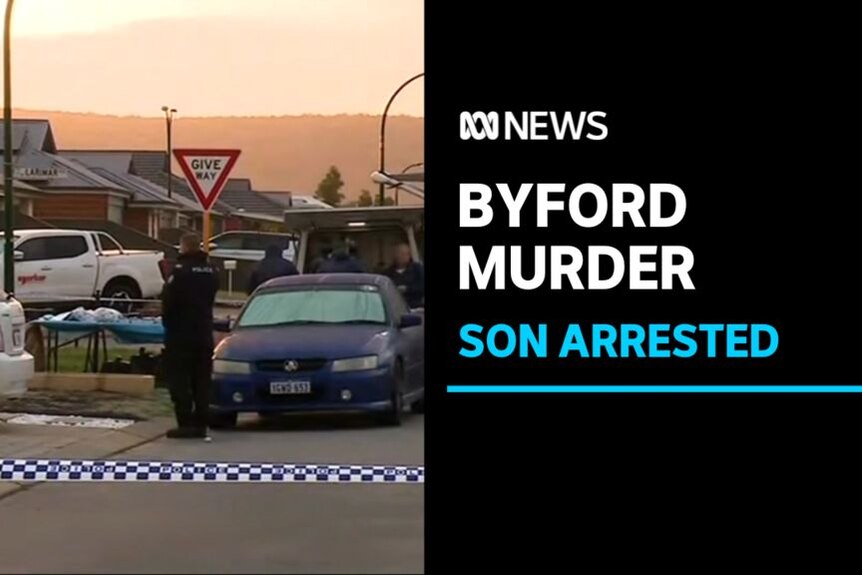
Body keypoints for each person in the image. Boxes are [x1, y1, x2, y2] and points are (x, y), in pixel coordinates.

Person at [161, 232, 220, 439]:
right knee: (202, 380)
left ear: (184, 247)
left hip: (181, 334)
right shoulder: (212, 270)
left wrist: (168, 325)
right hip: (204, 332)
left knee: (180, 380)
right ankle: (201, 423)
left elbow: (168, 303)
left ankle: (185, 423)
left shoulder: (179, 272)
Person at [385, 243, 425, 308]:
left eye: (405, 254)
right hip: (395, 308)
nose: (402, 256)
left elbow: (422, 286)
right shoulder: (388, 273)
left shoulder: (417, 269)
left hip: (415, 306)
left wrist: (407, 289)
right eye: (399, 254)